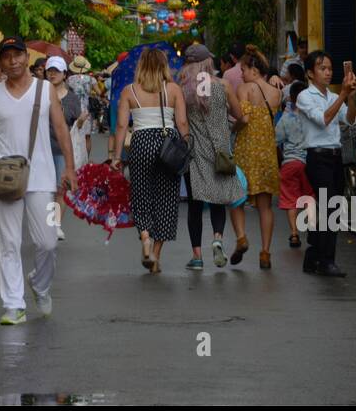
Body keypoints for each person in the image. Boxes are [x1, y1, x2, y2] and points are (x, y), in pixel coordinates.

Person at [0, 37, 77, 325]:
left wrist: (69, 167)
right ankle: (13, 304)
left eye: (18, 55)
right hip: (6, 177)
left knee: (49, 242)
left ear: (26, 58)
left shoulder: (45, 90)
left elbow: (60, 129)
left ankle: (39, 285)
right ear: (0, 62)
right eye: (7, 57)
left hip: (42, 176)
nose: (13, 61)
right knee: (9, 242)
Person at [110, 47, 188, 273]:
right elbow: (182, 123)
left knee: (140, 193)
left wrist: (116, 157)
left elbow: (122, 126)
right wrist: (186, 146)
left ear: (141, 66)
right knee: (166, 198)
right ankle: (156, 254)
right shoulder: (173, 89)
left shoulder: (129, 91)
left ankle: (144, 236)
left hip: (141, 142)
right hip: (168, 143)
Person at [178, 44, 248, 270]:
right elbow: (241, 117)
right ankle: (217, 238)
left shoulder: (183, 89)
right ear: (208, 62)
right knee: (219, 200)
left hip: (194, 152)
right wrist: (231, 129)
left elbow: (179, 120)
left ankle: (197, 257)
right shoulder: (223, 85)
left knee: (196, 205)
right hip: (220, 152)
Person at [295, 51, 356, 277]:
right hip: (316, 157)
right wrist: (342, 94)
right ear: (311, 73)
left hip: (335, 156)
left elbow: (349, 120)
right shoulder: (305, 96)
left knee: (332, 207)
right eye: (322, 68)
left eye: (330, 68)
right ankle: (326, 261)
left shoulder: (333, 96)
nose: (328, 72)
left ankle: (313, 255)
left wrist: (350, 96)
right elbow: (323, 120)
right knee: (330, 206)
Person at [235, 45, 283, 268]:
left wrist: (232, 127)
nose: (241, 74)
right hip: (267, 152)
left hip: (246, 150)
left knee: (235, 197)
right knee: (265, 206)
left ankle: (242, 237)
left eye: (243, 69)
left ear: (253, 69)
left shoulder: (245, 89)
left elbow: (244, 119)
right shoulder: (276, 92)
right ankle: (265, 252)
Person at [45, 56, 83, 241]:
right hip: (42, 148)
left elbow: (75, 122)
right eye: (49, 70)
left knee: (60, 188)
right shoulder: (40, 94)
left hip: (62, 149)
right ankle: (48, 223)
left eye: (56, 71)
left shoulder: (72, 97)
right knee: (46, 190)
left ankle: (55, 224)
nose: (52, 74)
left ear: (64, 74)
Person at [277, 81, 312, 247]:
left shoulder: (285, 119)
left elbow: (276, 141)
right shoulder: (312, 117)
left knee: (291, 199)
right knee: (309, 197)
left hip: (290, 163)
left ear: (291, 98)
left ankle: (294, 234)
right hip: (309, 162)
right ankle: (313, 230)